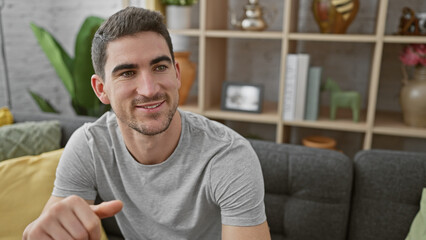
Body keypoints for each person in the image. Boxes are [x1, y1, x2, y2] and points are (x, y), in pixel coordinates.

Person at [23, 7, 270, 240]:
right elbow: (52, 229)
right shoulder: (89, 146)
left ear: (177, 74)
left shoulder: (228, 156)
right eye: (127, 73)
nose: (149, 89)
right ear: (101, 89)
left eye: (159, 67)